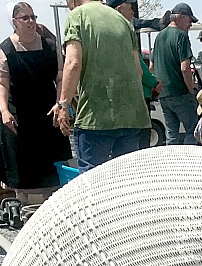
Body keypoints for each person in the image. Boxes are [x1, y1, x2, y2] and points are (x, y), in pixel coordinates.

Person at [55, 0, 150, 171]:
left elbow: (73, 63)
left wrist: (63, 104)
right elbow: (139, 71)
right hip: (132, 115)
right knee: (125, 180)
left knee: (92, 180)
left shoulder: (77, 16)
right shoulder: (122, 20)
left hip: (96, 116)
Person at [0, 2, 71, 203]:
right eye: (25, 18)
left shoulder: (50, 46)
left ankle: (51, 207)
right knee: (22, 168)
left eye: (33, 17)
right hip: (18, 114)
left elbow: (61, 77)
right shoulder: (6, 49)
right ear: (14, 22)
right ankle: (22, 207)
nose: (31, 21)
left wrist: (60, 102)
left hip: (47, 112)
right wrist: (4, 110)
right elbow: (1, 83)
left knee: (51, 171)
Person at [108, 0, 162, 149]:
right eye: (130, 9)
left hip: (119, 97)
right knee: (140, 143)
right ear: (119, 9)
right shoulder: (124, 33)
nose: (133, 12)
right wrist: (155, 82)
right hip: (137, 96)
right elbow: (138, 67)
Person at [152, 2, 198, 144]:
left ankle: (171, 163)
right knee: (192, 130)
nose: (190, 24)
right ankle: (188, 163)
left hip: (164, 94)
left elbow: (152, 67)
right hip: (180, 92)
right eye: (190, 20)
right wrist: (191, 91)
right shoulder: (181, 36)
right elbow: (185, 68)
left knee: (171, 134)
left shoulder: (159, 37)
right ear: (181, 17)